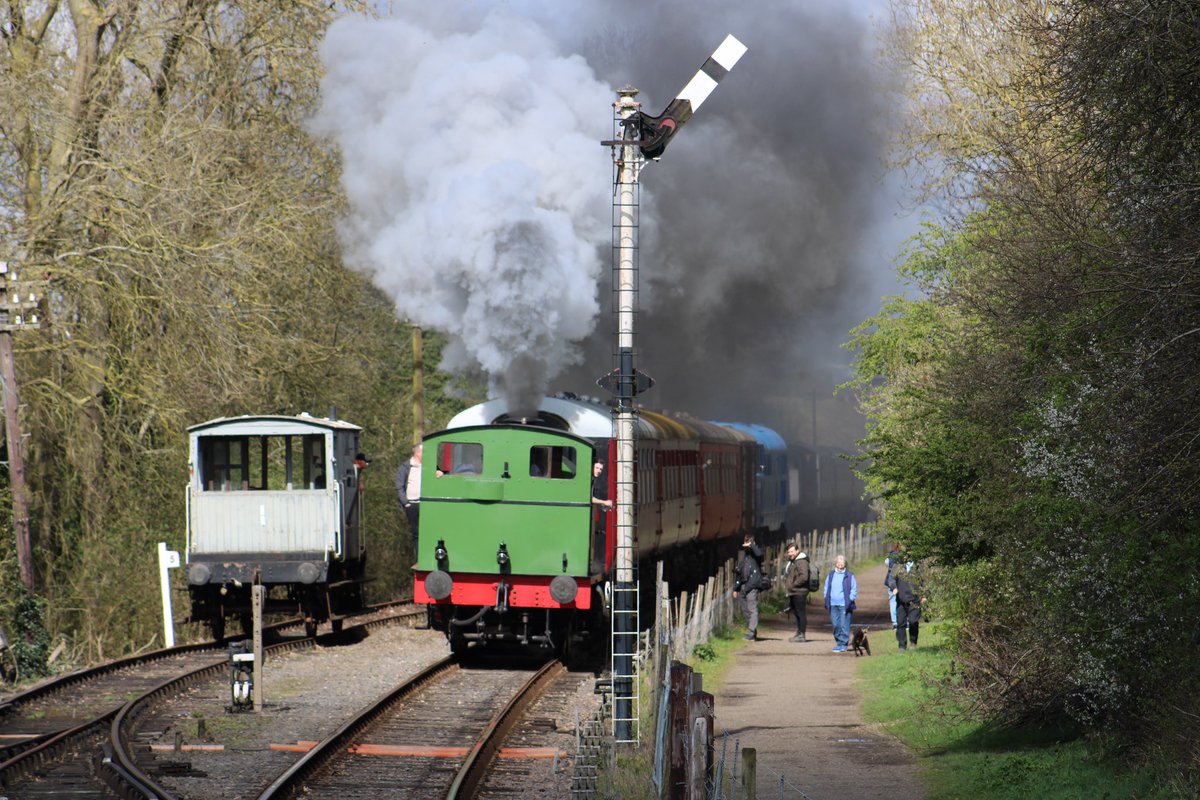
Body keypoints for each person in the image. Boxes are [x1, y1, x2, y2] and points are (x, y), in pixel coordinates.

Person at [885, 552, 923, 651]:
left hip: (915, 600)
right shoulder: (897, 566)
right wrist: (894, 587)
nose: (906, 557)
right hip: (901, 600)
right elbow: (891, 579)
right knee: (900, 623)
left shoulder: (918, 566)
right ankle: (902, 645)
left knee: (913, 621)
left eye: (908, 555)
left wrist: (924, 595)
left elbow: (924, 581)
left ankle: (913, 642)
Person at [732, 533, 765, 641]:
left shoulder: (757, 555)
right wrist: (736, 588)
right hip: (743, 585)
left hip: (752, 585)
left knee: (752, 609)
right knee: (746, 610)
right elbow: (739, 572)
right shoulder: (744, 556)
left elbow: (760, 554)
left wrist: (752, 545)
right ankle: (752, 631)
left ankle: (751, 632)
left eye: (748, 543)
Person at [823, 554, 857, 652]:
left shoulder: (849, 575)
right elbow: (826, 587)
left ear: (845, 564)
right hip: (833, 604)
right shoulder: (831, 575)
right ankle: (839, 642)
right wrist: (826, 598)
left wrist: (850, 599)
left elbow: (854, 589)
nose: (840, 564)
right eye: (838, 562)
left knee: (844, 625)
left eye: (842, 562)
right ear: (836, 564)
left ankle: (844, 644)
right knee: (835, 625)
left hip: (844, 605)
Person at [395, 444, 423, 557]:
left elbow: (442, 471)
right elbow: (399, 486)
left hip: (426, 504)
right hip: (411, 505)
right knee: (416, 533)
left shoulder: (429, 465)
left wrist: (442, 472)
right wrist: (405, 503)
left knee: (428, 531)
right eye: (423, 452)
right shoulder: (405, 467)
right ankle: (418, 558)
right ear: (417, 453)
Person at [782, 543, 810, 642]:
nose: (790, 554)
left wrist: (794, 584)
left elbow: (804, 577)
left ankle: (802, 634)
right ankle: (799, 633)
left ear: (797, 550)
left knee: (801, 613)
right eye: (789, 552)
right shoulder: (794, 561)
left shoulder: (801, 561)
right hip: (794, 591)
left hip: (799, 591)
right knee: (797, 613)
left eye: (792, 551)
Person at [590, 461, 612, 572]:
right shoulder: (589, 479)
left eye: (601, 469)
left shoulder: (594, 480)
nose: (598, 471)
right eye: (597, 468)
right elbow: (589, 498)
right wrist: (604, 502)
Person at [884, 543, 902, 630]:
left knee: (893, 602)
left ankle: (895, 622)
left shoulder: (890, 555)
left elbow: (886, 563)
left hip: (891, 581)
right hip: (898, 582)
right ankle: (903, 621)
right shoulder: (904, 557)